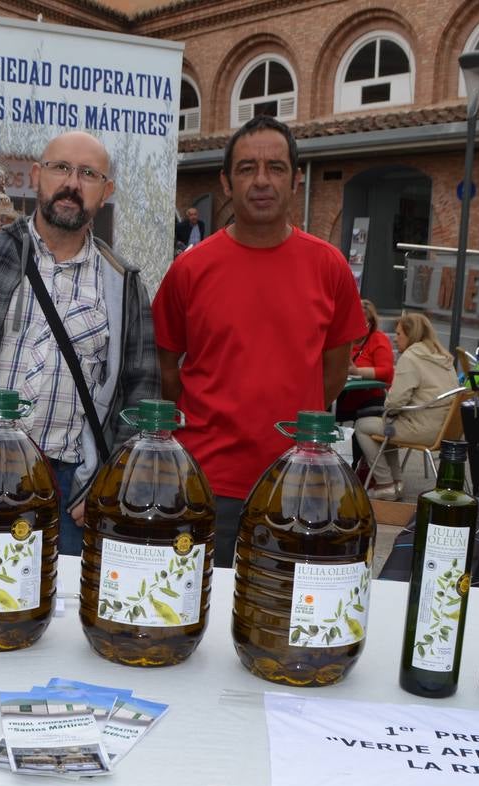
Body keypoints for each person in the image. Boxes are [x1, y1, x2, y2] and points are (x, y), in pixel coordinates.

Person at [0, 130, 159, 554]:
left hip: (72, 491)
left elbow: (141, 393)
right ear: (37, 176)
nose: (72, 184)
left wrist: (111, 487)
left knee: (61, 615)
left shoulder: (123, 284)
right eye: (61, 168)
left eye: (88, 174)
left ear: (106, 191)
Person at [153, 116, 365, 566]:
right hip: (207, 483)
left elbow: (334, 373)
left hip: (298, 482)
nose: (262, 181)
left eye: (276, 167)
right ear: (227, 183)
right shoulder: (190, 270)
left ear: (296, 180)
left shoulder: (330, 268)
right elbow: (166, 368)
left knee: (281, 617)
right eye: (247, 168)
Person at [354, 313, 459, 500]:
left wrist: (389, 409)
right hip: (444, 429)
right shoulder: (444, 357)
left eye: (399, 334)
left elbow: (394, 403)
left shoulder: (411, 357)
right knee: (388, 426)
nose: (395, 339)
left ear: (411, 334)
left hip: (421, 429)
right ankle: (396, 483)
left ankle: (385, 484)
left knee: (363, 425)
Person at [336, 300, 394, 420]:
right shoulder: (343, 340)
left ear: (371, 324)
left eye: (361, 324)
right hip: (340, 396)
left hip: (370, 400)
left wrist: (357, 372)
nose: (356, 328)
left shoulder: (378, 339)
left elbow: (386, 372)